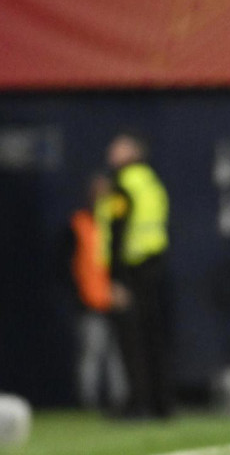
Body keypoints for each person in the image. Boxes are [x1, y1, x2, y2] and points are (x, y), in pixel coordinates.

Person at [104, 132, 172, 419]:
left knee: (132, 342)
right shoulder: (152, 182)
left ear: (131, 152)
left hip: (132, 271)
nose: (111, 151)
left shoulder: (124, 184)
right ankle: (161, 404)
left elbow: (118, 230)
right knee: (155, 339)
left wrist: (116, 278)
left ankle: (137, 403)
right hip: (156, 267)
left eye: (118, 147)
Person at [68, 172, 127, 411]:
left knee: (118, 357)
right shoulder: (79, 223)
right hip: (89, 301)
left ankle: (120, 400)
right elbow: (69, 266)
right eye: (97, 191)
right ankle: (88, 402)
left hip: (115, 300)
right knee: (91, 355)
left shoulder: (116, 223)